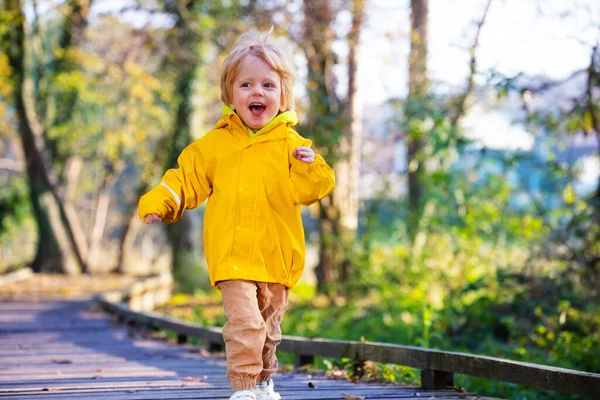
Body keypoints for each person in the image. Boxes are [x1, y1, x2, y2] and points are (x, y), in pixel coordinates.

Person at [138, 28, 335, 400]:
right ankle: (243, 388)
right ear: (230, 94)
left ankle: (262, 383)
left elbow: (314, 189)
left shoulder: (294, 146)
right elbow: (185, 179)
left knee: (269, 328)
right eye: (245, 85)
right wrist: (158, 203)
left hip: (277, 257)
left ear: (283, 96)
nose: (256, 92)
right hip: (232, 255)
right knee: (245, 323)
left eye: (267, 85)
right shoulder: (215, 145)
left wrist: (309, 166)